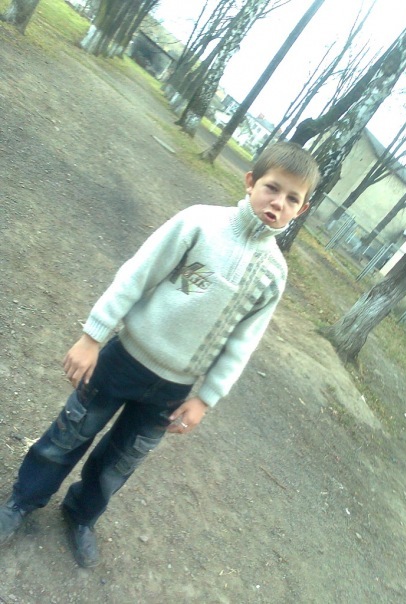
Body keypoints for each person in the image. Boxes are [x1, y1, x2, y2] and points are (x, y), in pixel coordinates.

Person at [0, 142, 320, 567]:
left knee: (120, 461)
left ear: (301, 209)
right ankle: (22, 500)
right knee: (70, 433)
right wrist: (93, 336)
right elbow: (139, 273)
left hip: (172, 390)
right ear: (250, 182)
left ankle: (80, 515)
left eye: (292, 199)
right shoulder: (200, 222)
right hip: (123, 360)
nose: (278, 203)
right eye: (272, 188)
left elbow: (243, 344)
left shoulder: (274, 274)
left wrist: (205, 399)